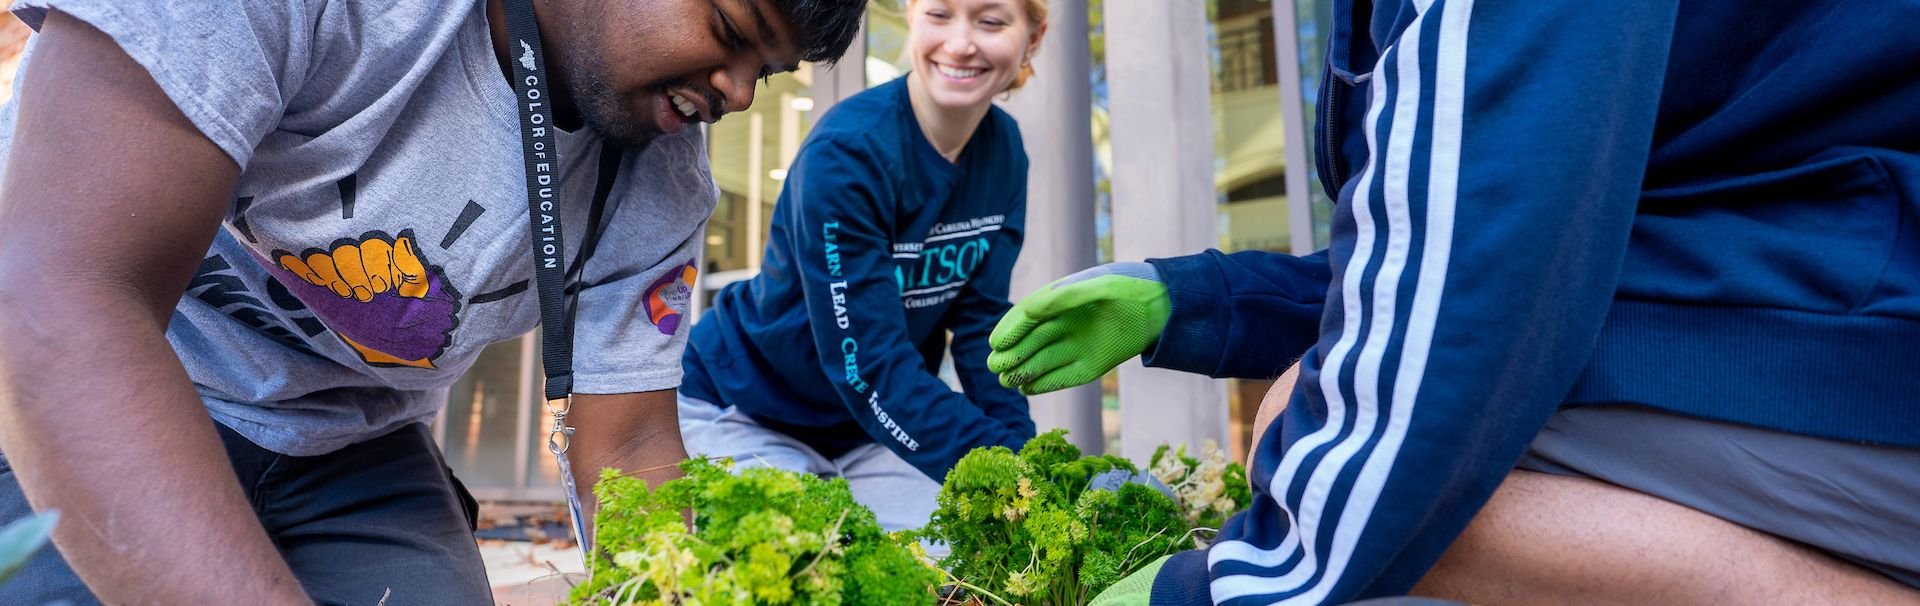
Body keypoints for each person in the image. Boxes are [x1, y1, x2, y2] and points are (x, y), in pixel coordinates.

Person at [991, 0, 1920, 603]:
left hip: (1856, 356)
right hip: (1836, 320)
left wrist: (1229, 586)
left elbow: (1481, 280)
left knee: (1334, 456)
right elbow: (1481, 247)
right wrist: (1196, 298)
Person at [0, 0, 865, 603]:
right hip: (99, 376)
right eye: (729, 29)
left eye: (769, 70)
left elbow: (631, 440)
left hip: (352, 439)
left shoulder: (661, 177)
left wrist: (671, 590)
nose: (740, 93)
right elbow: (63, 296)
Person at [678, 0, 1048, 532]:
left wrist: (1029, 461)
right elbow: (867, 365)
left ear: (1030, 39)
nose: (961, 43)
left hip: (867, 431)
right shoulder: (849, 152)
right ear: (912, 17)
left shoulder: (1004, 151)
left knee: (961, 547)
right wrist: (1010, 473)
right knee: (805, 559)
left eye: (990, 21)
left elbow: (983, 329)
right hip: (746, 406)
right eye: (940, 15)